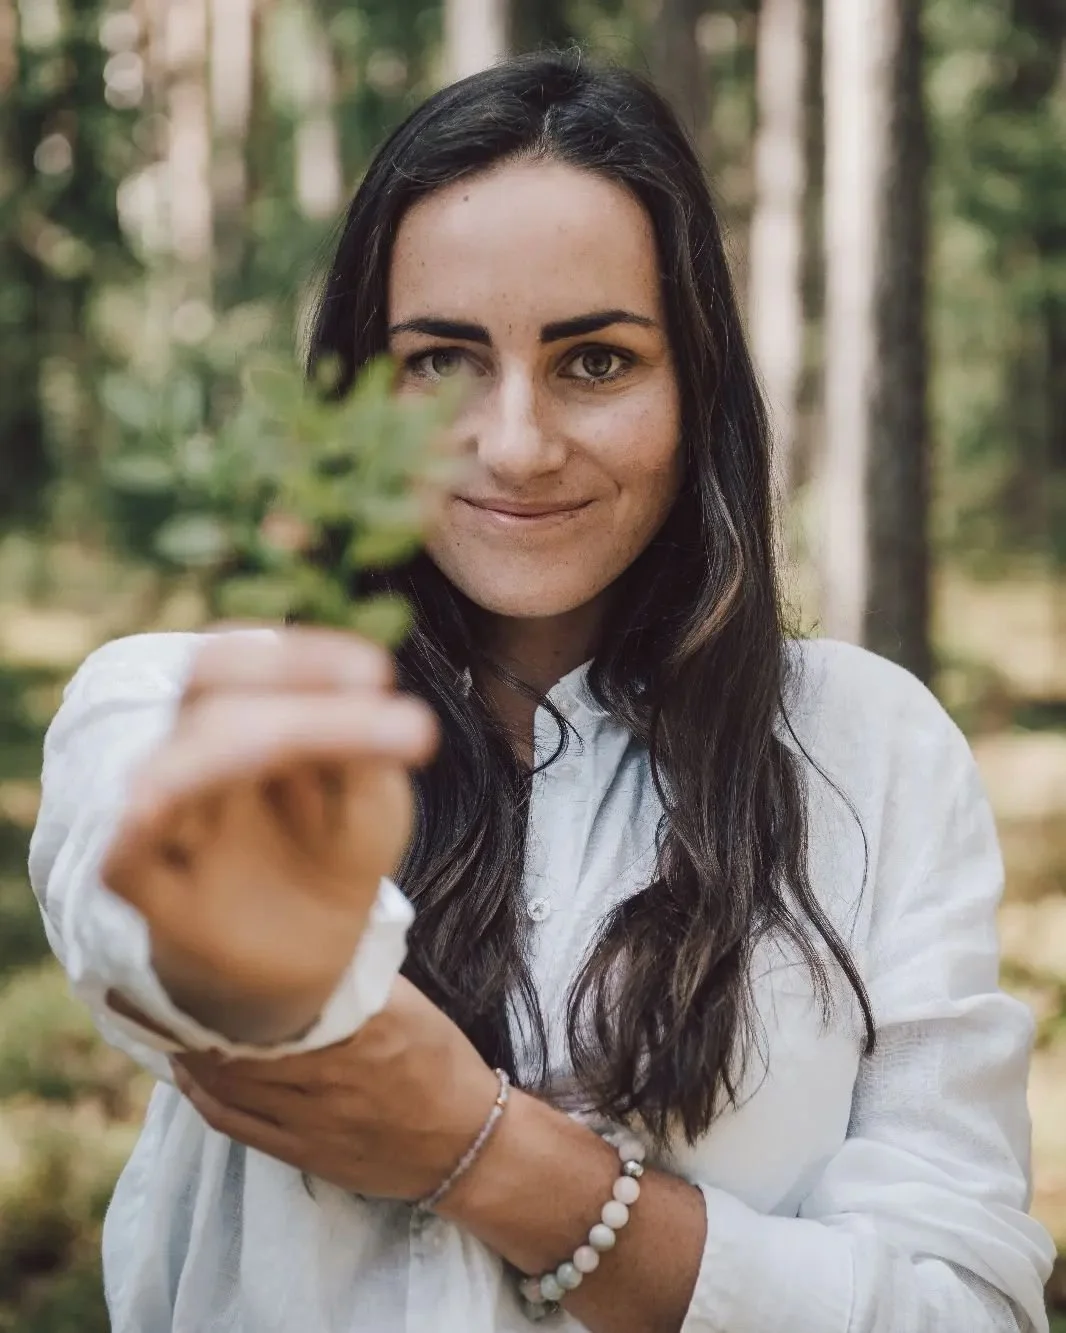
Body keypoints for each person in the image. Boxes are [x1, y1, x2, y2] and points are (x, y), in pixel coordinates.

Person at [29, 51, 1053, 1333]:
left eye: (595, 363)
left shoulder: (868, 747)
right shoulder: (181, 702)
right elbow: (138, 915)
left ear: (695, 388)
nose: (514, 444)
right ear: (358, 392)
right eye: (442, 362)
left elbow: (960, 1309)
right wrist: (254, 940)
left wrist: (486, 1151)